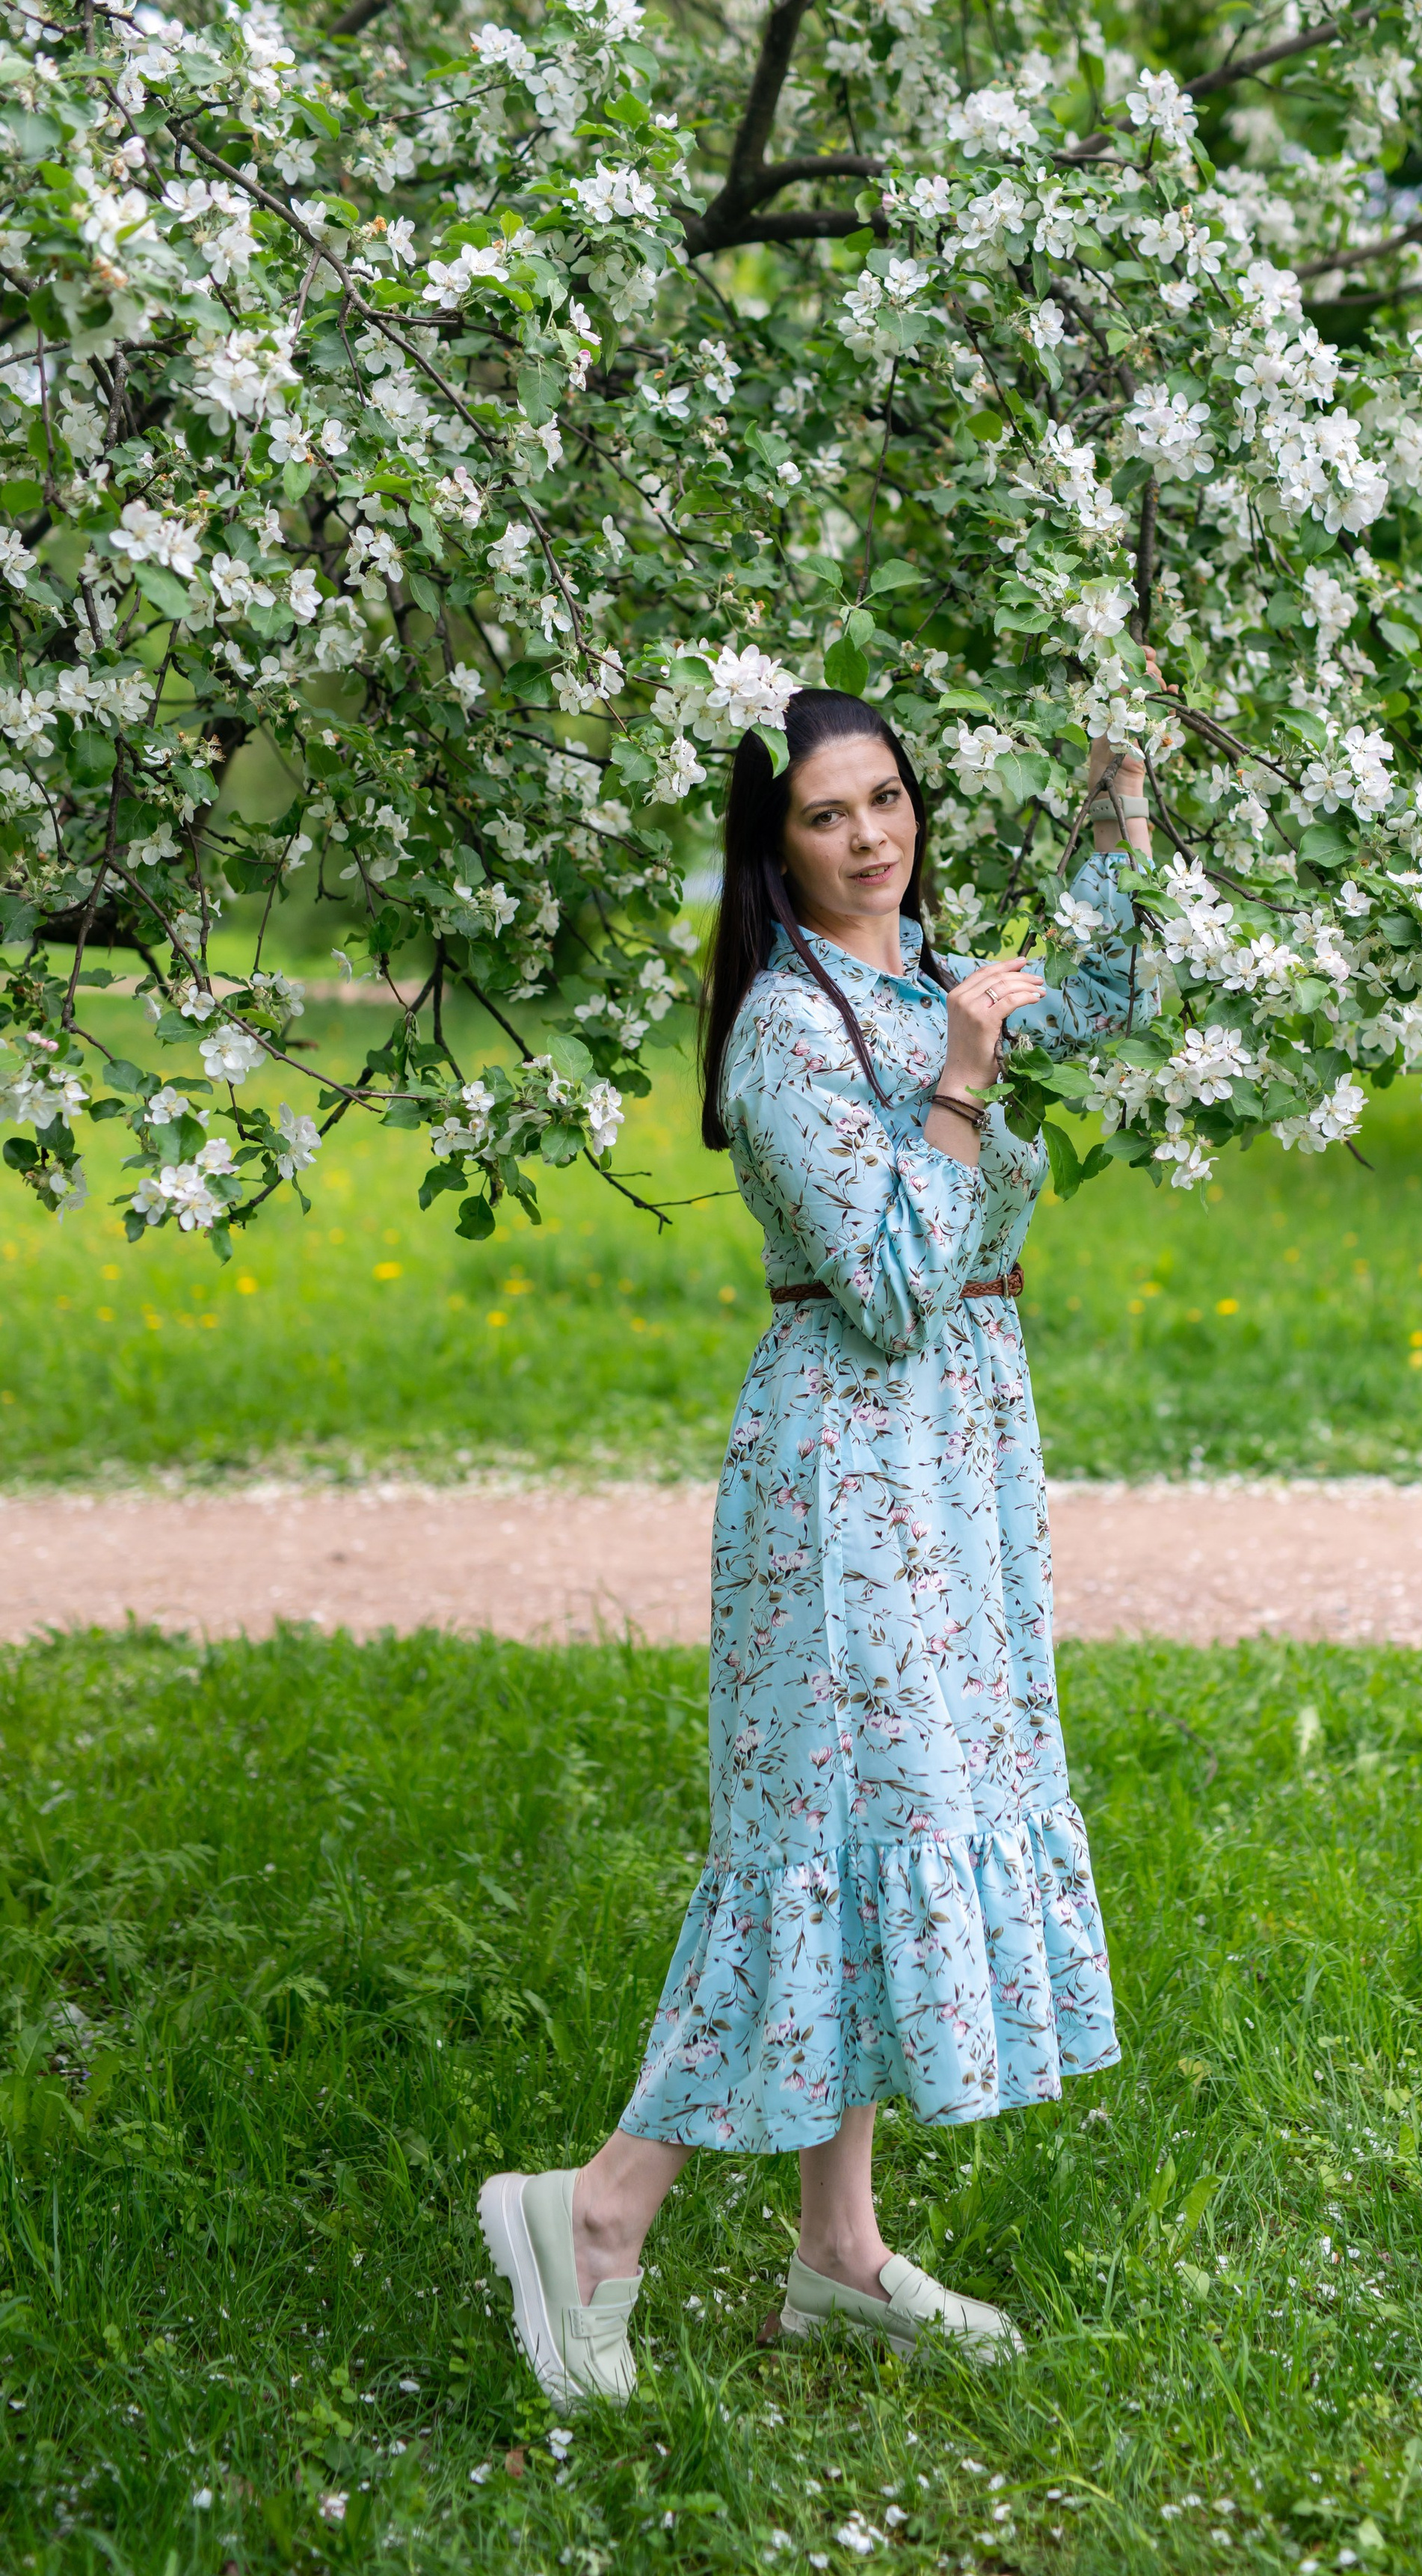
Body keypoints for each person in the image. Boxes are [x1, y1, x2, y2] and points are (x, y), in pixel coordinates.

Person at [480, 688, 1154, 2396]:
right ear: (773, 849)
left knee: (872, 1838)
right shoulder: (784, 1030)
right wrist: (958, 1084)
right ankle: (597, 2215)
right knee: (811, 1846)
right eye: (827, 816)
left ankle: (837, 2251)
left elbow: (1112, 1004)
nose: (871, 837)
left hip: (955, 1461)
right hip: (844, 1480)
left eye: (887, 799)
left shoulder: (924, 977)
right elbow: (889, 1280)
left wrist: (1116, 807)